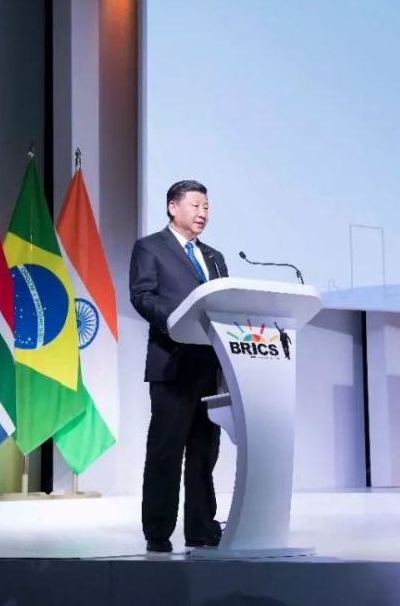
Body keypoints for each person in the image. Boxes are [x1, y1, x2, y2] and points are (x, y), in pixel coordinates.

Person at [129, 180, 229, 553]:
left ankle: (201, 528)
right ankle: (158, 531)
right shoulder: (150, 247)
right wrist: (176, 319)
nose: (203, 213)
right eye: (196, 205)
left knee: (205, 452)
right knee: (166, 450)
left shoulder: (215, 257)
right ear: (173, 207)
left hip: (209, 365)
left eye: (207, 206)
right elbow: (142, 295)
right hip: (172, 362)